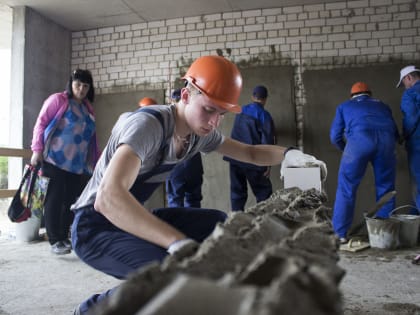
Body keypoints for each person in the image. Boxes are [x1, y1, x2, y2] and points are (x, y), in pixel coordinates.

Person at [70, 55, 326, 314]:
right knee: (170, 275)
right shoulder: (148, 125)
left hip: (128, 222)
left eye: (221, 114)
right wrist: (176, 242)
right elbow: (108, 198)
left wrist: (290, 154)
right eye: (208, 109)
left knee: (217, 224)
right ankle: (91, 309)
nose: (214, 121)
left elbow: (249, 153)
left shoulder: (198, 134)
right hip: (95, 227)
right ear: (185, 95)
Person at [30, 69, 100, 255]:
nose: (82, 89)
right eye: (78, 84)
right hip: (54, 159)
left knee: (70, 202)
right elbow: (41, 123)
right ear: (71, 83)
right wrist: (37, 149)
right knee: (54, 200)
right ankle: (54, 240)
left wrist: (97, 161)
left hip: (77, 165)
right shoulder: (58, 100)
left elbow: (92, 138)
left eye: (86, 86)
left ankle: (63, 236)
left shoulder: (88, 108)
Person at [330, 82, 399, 244]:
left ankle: (340, 234)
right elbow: (395, 132)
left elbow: (335, 136)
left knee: (346, 188)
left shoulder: (345, 106)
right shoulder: (383, 106)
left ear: (352, 96)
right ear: (370, 94)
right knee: (386, 189)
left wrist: (346, 149)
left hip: (359, 143)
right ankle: (384, 235)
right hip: (386, 144)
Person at [223, 85, 276, 211]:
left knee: (237, 193)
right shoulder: (264, 115)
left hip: (235, 158)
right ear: (265, 99)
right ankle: (263, 223)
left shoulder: (240, 110)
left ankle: (235, 222)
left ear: (253, 97)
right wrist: (267, 165)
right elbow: (267, 143)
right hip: (253, 161)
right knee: (264, 193)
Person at [166, 88, 204, 207]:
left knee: (175, 201)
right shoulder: (196, 118)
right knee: (194, 201)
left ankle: (176, 226)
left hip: (175, 168)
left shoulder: (168, 119)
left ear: (173, 101)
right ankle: (194, 226)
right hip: (194, 166)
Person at [396, 65, 420, 213]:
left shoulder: (410, 94)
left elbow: (411, 118)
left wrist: (403, 136)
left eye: (403, 82)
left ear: (408, 78)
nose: (404, 86)